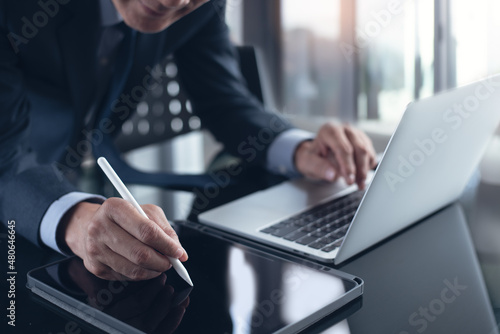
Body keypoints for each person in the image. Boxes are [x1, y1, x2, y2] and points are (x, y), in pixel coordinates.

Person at [0, 0, 376, 281]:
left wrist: (299, 149)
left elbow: (223, 101)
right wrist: (73, 219)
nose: (174, 2)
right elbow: (6, 160)